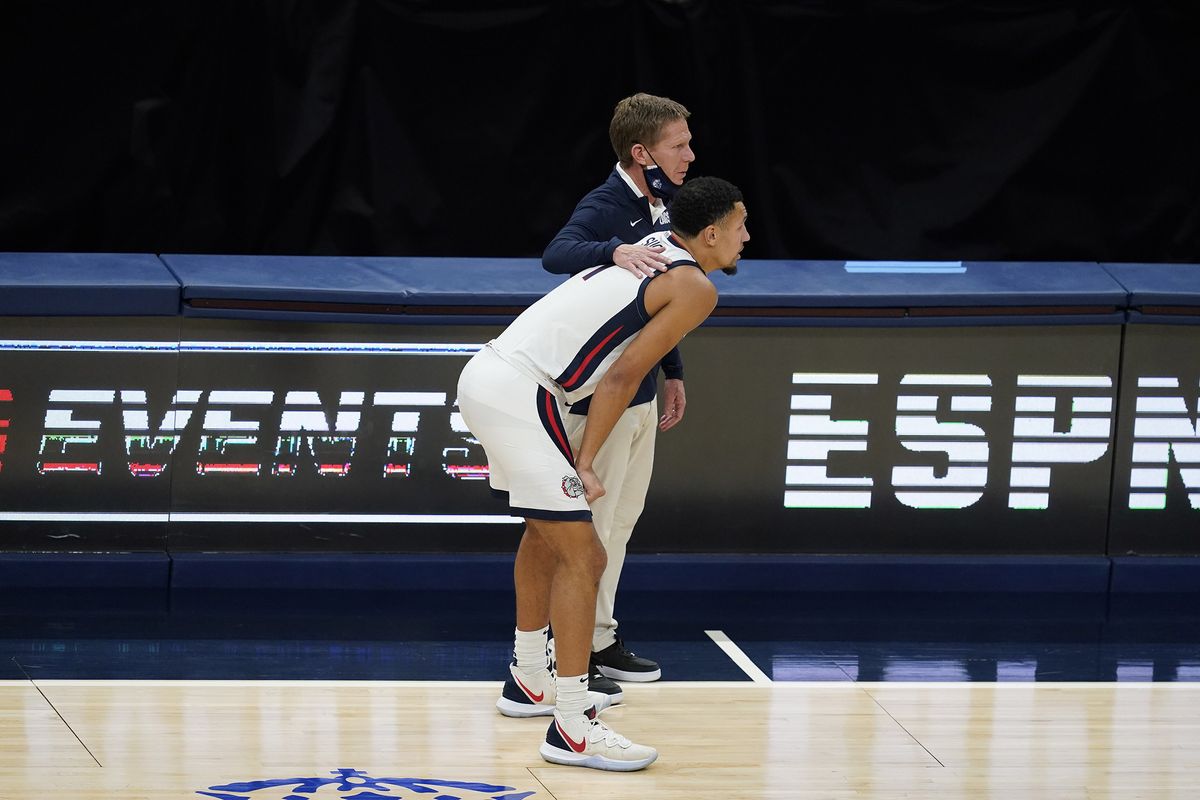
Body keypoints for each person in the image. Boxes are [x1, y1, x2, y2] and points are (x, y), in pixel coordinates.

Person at [458, 177, 749, 771]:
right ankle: (571, 727)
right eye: (741, 225)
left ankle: (531, 681)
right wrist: (585, 461)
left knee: (547, 535)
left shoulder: (654, 250)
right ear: (712, 232)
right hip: (522, 392)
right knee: (584, 555)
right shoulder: (693, 285)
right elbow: (620, 379)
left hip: (495, 375)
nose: (749, 237)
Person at [540, 93, 696, 694]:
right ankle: (563, 652)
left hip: (642, 389)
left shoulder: (666, 205)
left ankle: (599, 638)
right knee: (588, 530)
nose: (689, 153)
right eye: (678, 144)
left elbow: (661, 302)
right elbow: (556, 253)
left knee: (621, 524)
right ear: (641, 152)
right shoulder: (607, 205)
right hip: (599, 398)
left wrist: (674, 369)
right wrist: (613, 249)